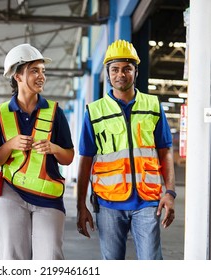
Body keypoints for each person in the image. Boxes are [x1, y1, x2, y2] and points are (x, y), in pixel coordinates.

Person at [76, 39, 176, 260]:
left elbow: (165, 151)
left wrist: (169, 193)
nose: (120, 74)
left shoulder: (153, 106)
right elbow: (85, 160)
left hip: (148, 203)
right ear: (108, 73)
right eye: (115, 69)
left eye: (127, 69)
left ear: (135, 71)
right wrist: (80, 205)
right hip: (108, 204)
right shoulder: (94, 112)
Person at [0, 43, 74, 260]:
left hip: (49, 195)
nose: (41, 76)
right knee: (12, 258)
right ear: (17, 76)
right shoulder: (1, 114)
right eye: (34, 70)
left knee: (50, 259)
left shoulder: (55, 112)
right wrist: (10, 145)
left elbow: (69, 157)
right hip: (11, 193)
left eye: (43, 71)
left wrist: (54, 148)